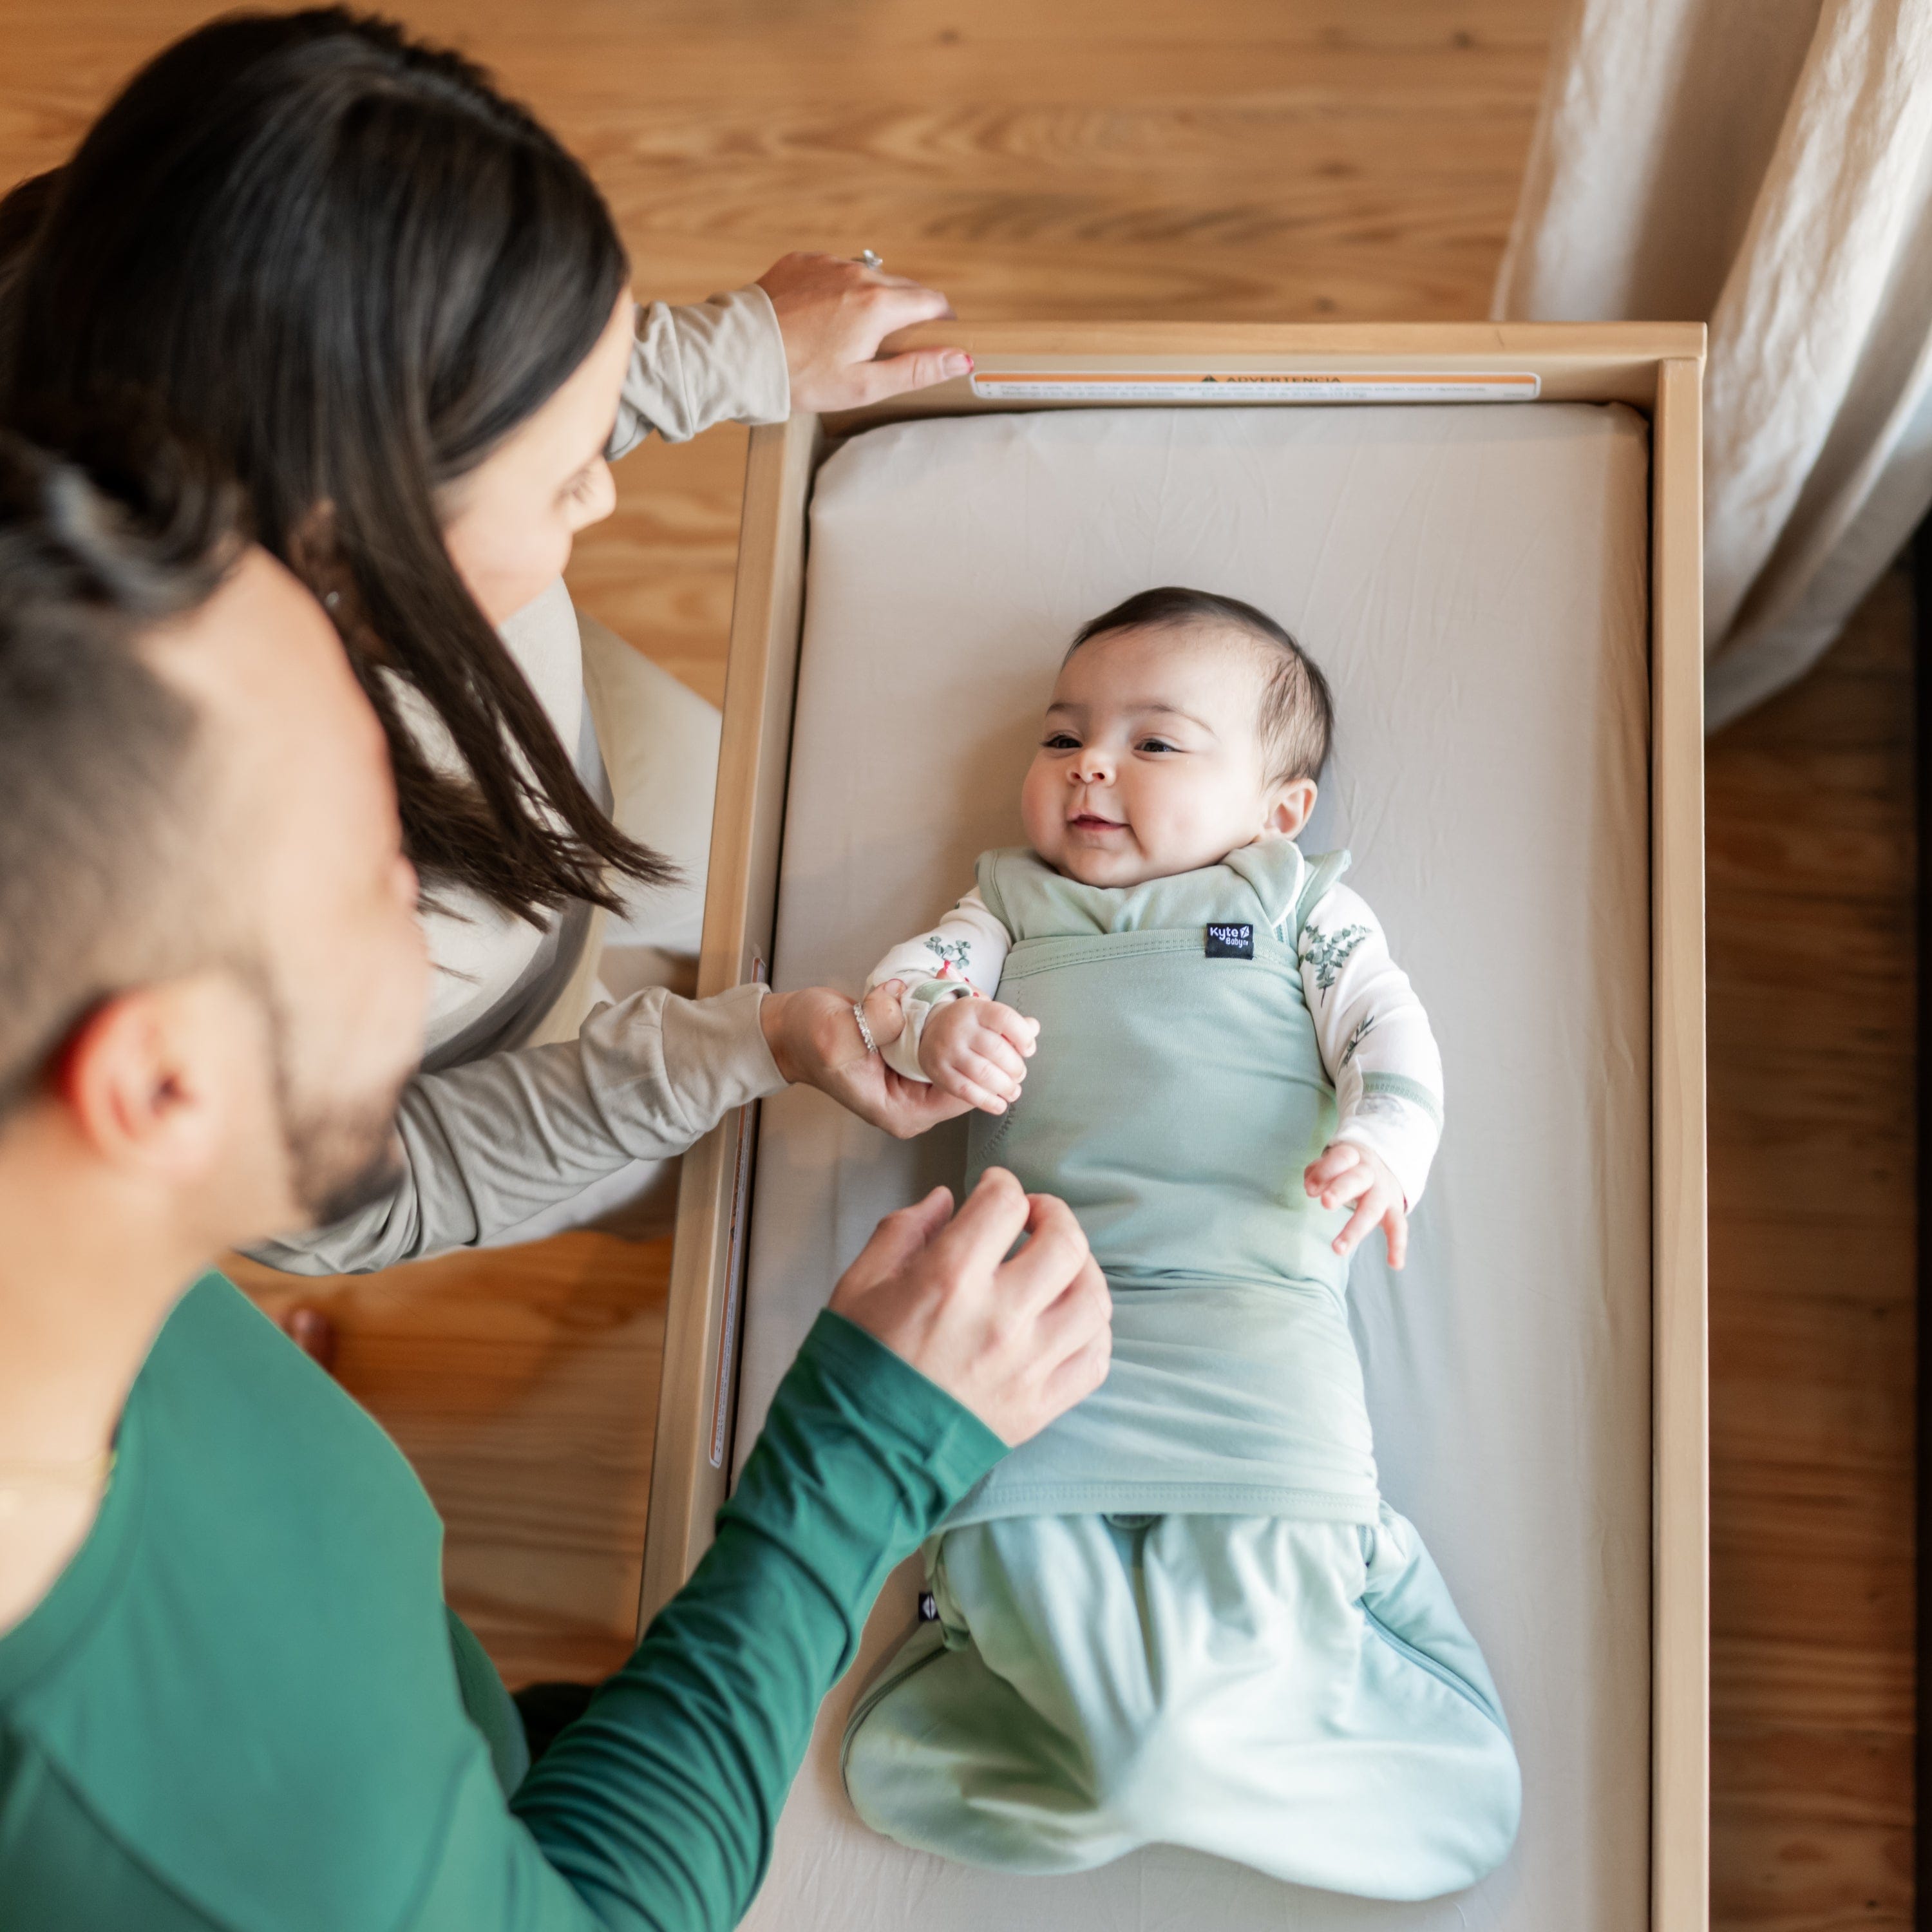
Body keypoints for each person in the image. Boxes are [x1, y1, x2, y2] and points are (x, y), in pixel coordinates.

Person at [0, 423, 1111, 1929]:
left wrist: (762, 1037)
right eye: (369, 857)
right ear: (155, 1087)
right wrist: (859, 1457)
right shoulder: (232, 1855)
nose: (434, 876)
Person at [0, 8, 971, 1271]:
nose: (606, 490)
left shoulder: (186, 336)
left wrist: (730, 353)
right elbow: (371, 1190)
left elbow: (469, 376)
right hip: (511, 1065)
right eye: (566, 474)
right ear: (346, 542)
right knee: (705, 1186)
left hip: (562, 788)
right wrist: (742, 1055)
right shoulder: (170, 913)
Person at [838, 587, 1520, 1898]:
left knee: (1255, 1598)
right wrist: (929, 1030)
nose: (1091, 765)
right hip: (1037, 1324)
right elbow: (899, 988)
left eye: (1155, 743)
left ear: (1279, 810)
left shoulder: (1299, 909)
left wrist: (1386, 1141)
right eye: (1064, 738)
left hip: (1243, 1328)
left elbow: (1392, 1032)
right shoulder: (1006, 911)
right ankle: (1137, 1760)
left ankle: (1174, 1757)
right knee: (1030, 1579)